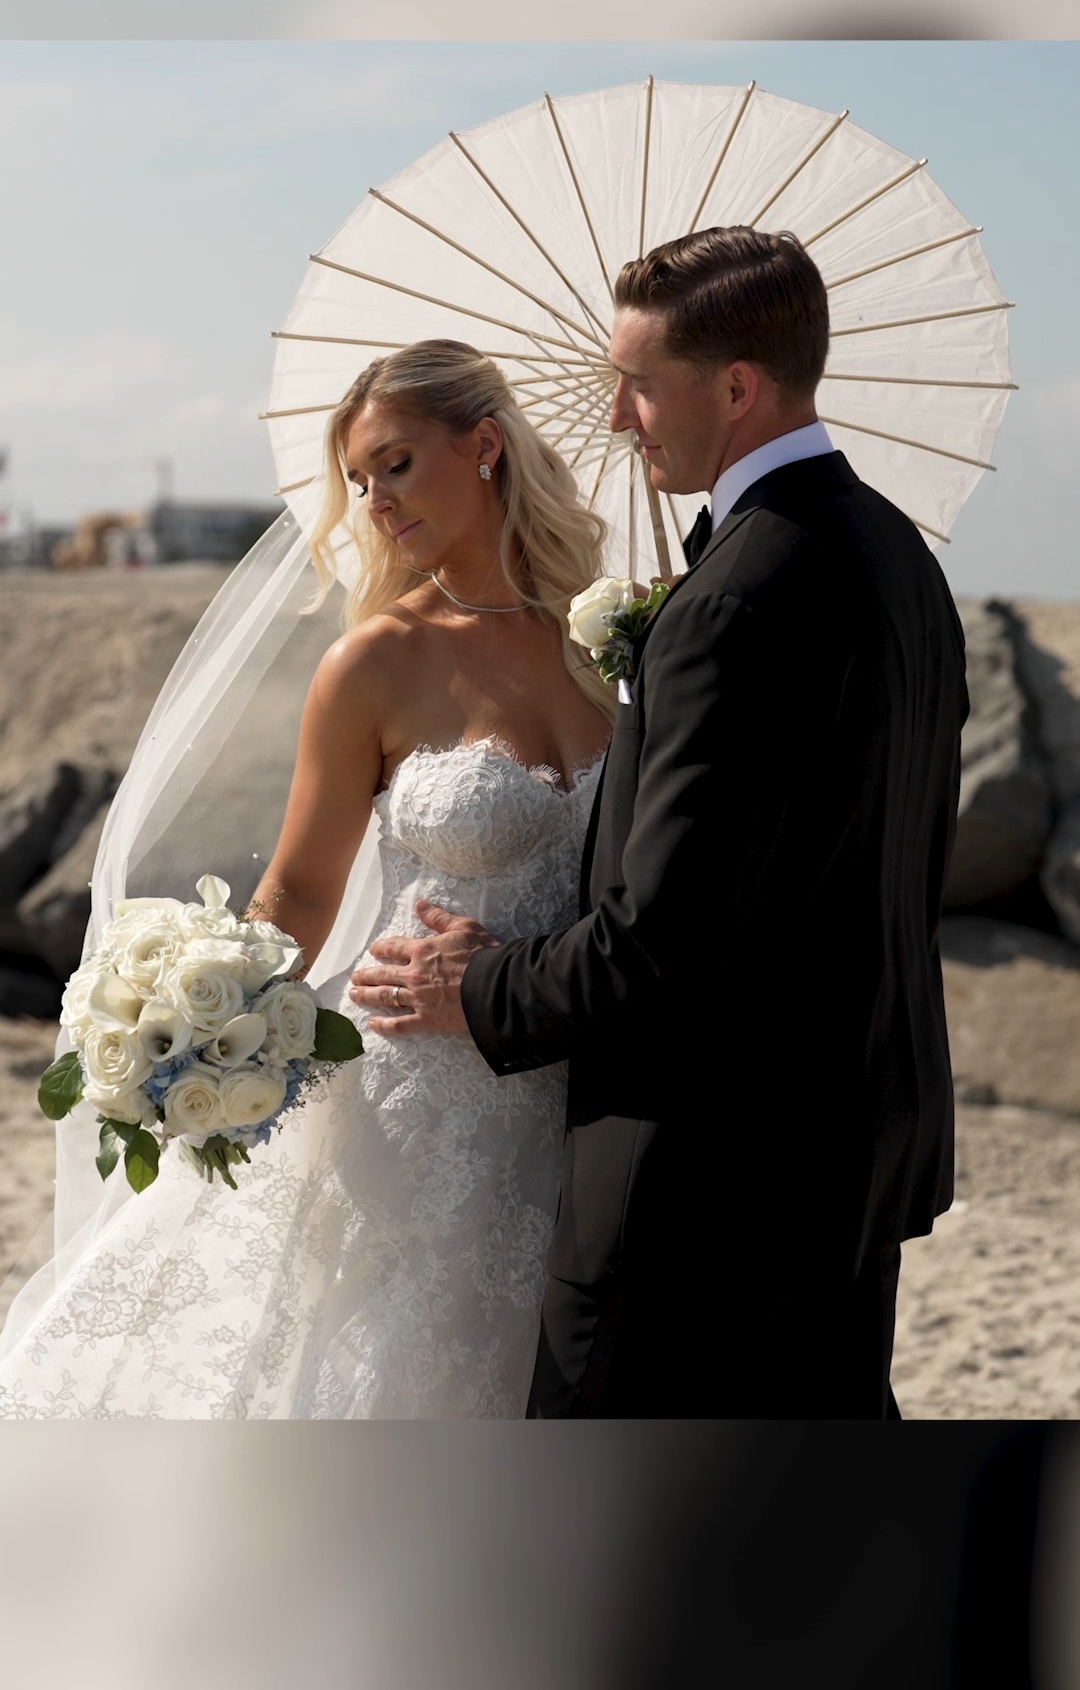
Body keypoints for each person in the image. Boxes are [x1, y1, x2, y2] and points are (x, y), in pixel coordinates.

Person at [350, 226, 970, 1420]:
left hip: (703, 1184)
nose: (622, 417)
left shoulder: (735, 599)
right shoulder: (897, 558)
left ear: (736, 386)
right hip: (854, 1146)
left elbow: (664, 938)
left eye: (637, 382)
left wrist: (474, 989)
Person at [0, 339, 613, 1418]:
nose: (375, 502)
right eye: (360, 480)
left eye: (397, 465)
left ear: (484, 448)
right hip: (425, 1096)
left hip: (582, 1088)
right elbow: (298, 891)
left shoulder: (614, 643)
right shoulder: (375, 663)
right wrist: (195, 1025)